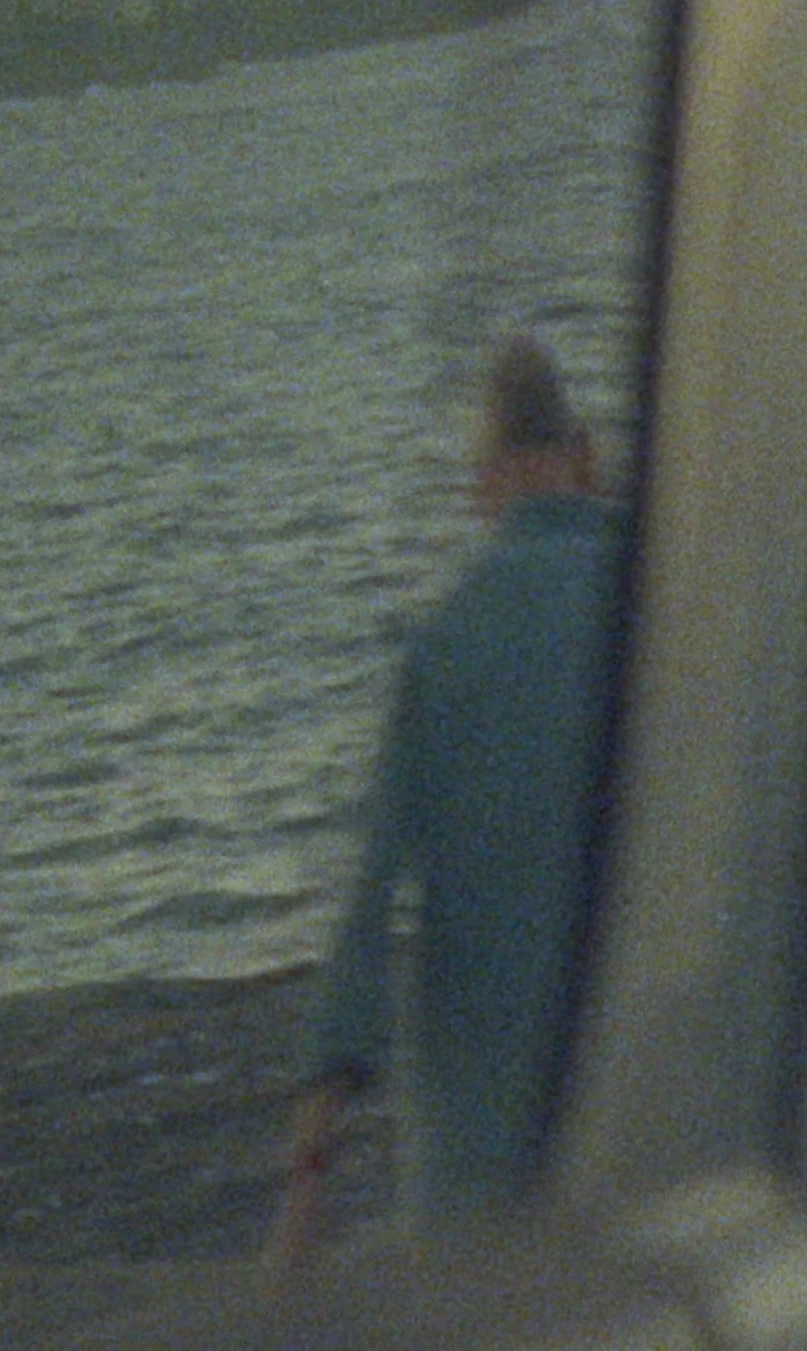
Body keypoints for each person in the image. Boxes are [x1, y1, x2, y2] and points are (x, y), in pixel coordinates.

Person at [275, 334, 627, 1257]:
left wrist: (309, 1168)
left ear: (482, 484)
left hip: (478, 1155)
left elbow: (366, 909)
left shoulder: (441, 645)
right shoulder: (667, 602)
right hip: (654, 1116)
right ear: (587, 458)